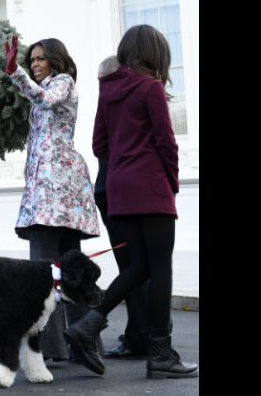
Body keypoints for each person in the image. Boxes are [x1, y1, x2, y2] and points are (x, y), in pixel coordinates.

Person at [64, 24, 198, 378]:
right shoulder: (151, 87)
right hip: (150, 187)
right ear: (156, 54)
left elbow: (99, 145)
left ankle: (87, 326)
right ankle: (161, 354)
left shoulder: (108, 90)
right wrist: (169, 181)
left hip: (120, 188)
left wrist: (124, 162)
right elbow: (166, 143)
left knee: (138, 267)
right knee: (160, 270)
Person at [2, 36, 101, 362]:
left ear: (56, 60)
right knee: (62, 269)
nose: (35, 64)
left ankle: (60, 347)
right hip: (52, 189)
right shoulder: (52, 87)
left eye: (40, 59)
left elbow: (44, 100)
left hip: (57, 189)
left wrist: (16, 73)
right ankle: (68, 346)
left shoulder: (63, 83)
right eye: (32, 60)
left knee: (48, 271)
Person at [95, 55, 164, 359]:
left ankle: (141, 335)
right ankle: (145, 335)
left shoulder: (113, 102)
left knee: (134, 268)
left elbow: (100, 146)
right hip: (133, 192)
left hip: (115, 192)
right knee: (143, 268)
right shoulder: (142, 94)